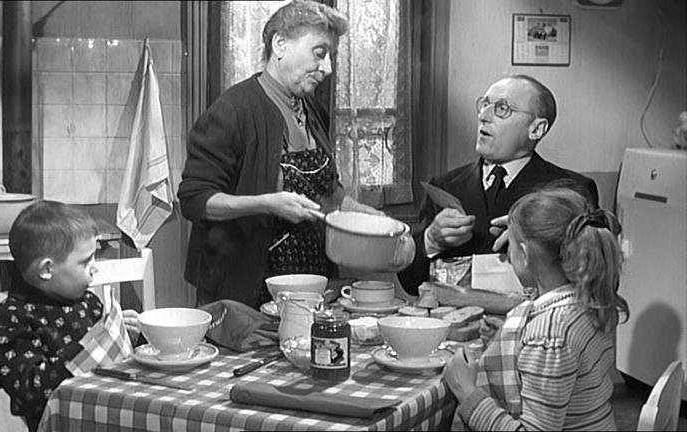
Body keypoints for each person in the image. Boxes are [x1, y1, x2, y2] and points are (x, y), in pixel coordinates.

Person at [178, 0, 405, 308]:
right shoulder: (231, 112)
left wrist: (368, 217)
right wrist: (266, 203)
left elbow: (328, 193)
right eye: (320, 53)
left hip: (313, 287)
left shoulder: (313, 111)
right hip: (243, 295)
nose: (327, 69)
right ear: (280, 45)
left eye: (331, 57)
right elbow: (194, 199)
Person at [442, 187, 629, 430]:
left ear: (525, 253)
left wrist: (466, 391)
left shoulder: (549, 333)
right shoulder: (589, 299)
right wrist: (519, 342)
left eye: (510, 245)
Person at [398, 74, 599, 294]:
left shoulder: (571, 191)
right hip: (452, 316)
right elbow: (411, 284)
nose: (484, 116)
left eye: (502, 109)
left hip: (537, 316)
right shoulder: (444, 186)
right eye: (485, 104)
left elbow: (597, 280)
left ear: (536, 129)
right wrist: (431, 241)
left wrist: (540, 242)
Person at [0, 201, 140, 431]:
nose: (95, 268)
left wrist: (126, 334)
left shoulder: (87, 301)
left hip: (110, 414)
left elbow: (112, 361)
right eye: (86, 261)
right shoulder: (11, 320)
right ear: (47, 270)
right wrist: (87, 349)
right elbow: (30, 391)